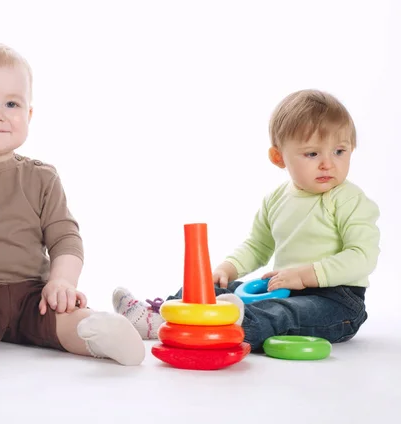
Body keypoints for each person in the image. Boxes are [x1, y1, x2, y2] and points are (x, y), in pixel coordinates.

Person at [0, 42, 145, 375]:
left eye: (11, 103)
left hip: (35, 295)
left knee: (63, 317)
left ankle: (103, 335)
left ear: (28, 115)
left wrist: (61, 282)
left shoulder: (42, 178)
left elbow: (65, 238)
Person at [113, 89, 380, 351]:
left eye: (339, 152)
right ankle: (159, 317)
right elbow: (257, 245)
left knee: (280, 312)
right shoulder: (277, 199)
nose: (327, 164)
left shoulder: (349, 200)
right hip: (282, 288)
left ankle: (223, 330)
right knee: (213, 288)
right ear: (279, 158)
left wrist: (304, 275)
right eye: (312, 154)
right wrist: (227, 269)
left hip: (336, 301)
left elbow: (362, 256)